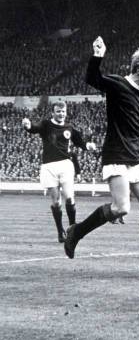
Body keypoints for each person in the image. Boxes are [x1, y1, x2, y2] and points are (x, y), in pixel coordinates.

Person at [64, 36, 139, 279]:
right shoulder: (118, 84)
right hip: (116, 155)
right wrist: (98, 54)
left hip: (136, 156)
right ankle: (76, 232)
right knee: (121, 208)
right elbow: (92, 78)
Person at [22, 101, 96, 242]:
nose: (61, 114)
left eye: (63, 111)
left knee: (69, 197)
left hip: (65, 165)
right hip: (49, 167)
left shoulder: (70, 128)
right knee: (56, 202)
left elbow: (80, 142)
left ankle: (73, 230)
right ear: (53, 113)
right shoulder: (46, 124)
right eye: (58, 111)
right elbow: (34, 128)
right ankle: (60, 231)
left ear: (66, 112)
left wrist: (89, 145)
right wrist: (28, 125)